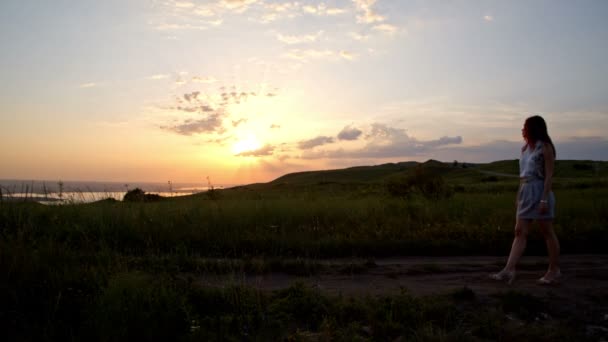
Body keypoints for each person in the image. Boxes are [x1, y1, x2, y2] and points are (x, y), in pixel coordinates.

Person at [490, 115, 561, 285]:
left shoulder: (545, 147)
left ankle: (553, 270)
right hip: (525, 191)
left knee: (547, 232)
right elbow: (522, 176)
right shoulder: (524, 149)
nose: (522, 129)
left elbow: (549, 176)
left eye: (525, 126)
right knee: (519, 231)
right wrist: (518, 195)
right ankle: (509, 269)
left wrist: (544, 199)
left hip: (540, 191)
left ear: (533, 128)